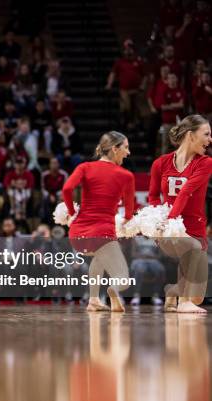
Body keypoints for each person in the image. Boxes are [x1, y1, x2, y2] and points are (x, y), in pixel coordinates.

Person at [62, 131, 135, 312]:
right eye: (125, 147)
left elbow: (67, 189)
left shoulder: (85, 167)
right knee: (123, 279)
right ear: (114, 148)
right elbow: (129, 213)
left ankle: (93, 300)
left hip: (77, 235)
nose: (128, 152)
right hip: (102, 234)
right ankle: (113, 289)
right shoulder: (126, 176)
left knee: (99, 258)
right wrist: (126, 223)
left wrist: (72, 213)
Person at [148, 114, 212, 313]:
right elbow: (152, 196)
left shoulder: (205, 162)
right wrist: (161, 220)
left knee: (198, 297)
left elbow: (186, 192)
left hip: (194, 229)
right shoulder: (160, 163)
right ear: (191, 135)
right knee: (190, 247)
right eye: (207, 134)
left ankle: (173, 291)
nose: (210, 139)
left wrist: (169, 219)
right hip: (170, 229)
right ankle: (183, 302)